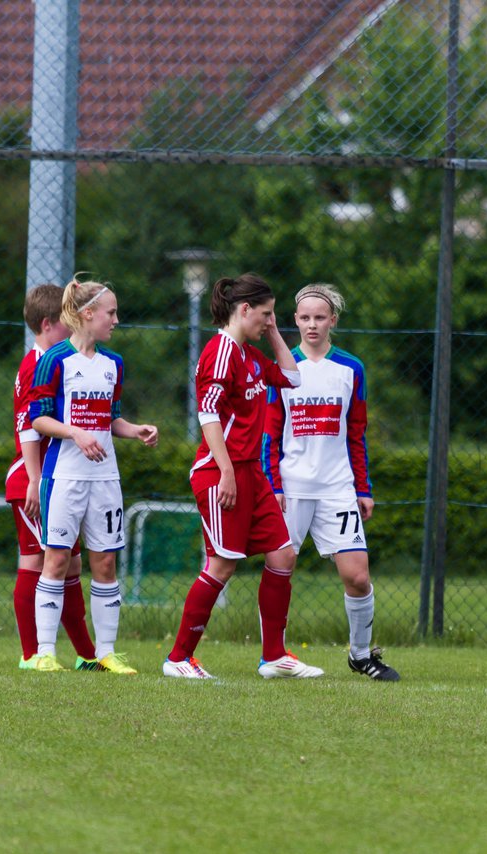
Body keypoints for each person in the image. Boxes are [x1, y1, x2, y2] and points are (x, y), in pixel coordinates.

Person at [163, 273, 323, 680]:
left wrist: (271, 335)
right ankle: (179, 658)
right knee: (222, 565)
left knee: (283, 555)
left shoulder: (250, 355)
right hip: (221, 473)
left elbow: (293, 377)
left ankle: (274, 657)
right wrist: (227, 473)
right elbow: (207, 415)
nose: (270, 321)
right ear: (244, 309)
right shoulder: (220, 352)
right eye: (265, 315)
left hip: (251, 473)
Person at [263, 283, 400, 681]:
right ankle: (274, 655)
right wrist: (274, 485)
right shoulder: (284, 369)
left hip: (337, 488)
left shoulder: (351, 369)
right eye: (304, 318)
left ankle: (361, 655)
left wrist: (363, 488)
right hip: (291, 487)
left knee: (357, 576)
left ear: (333, 321)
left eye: (319, 317)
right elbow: (270, 434)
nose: (312, 325)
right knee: (279, 569)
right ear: (295, 320)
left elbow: (356, 432)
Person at [26, 277, 159, 673]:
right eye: (111, 312)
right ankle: (44, 653)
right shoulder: (55, 360)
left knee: (105, 564)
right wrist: (75, 433)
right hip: (64, 478)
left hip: (105, 480)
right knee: (56, 560)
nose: (115, 320)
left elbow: (110, 419)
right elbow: (39, 418)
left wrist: (133, 430)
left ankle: (106, 653)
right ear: (88, 314)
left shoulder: (113, 364)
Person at [6, 283, 95, 670]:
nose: (74, 326)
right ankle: (32, 655)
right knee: (35, 563)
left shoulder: (58, 361)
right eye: (66, 320)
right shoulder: (34, 365)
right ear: (47, 324)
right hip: (35, 480)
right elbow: (28, 428)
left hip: (59, 479)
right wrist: (34, 481)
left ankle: (86, 655)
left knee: (70, 566)